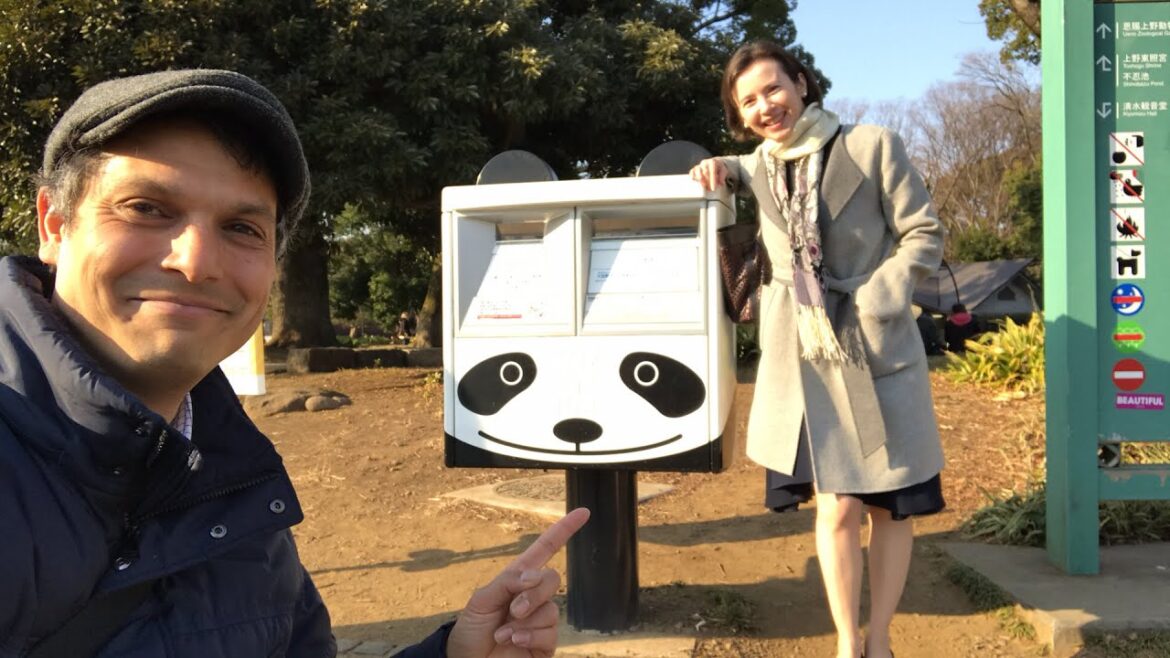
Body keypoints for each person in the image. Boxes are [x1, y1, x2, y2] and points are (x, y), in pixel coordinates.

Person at [0, 69, 588, 657]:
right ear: (54, 223)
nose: (196, 261)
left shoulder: (231, 479)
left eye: (241, 227)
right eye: (147, 207)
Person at [690, 42, 945, 658]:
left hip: (869, 339)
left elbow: (924, 233)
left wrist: (880, 295)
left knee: (890, 506)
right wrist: (712, 165)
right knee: (835, 504)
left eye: (772, 88)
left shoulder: (870, 144)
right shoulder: (757, 164)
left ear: (801, 83)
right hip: (804, 351)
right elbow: (734, 167)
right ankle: (846, 640)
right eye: (747, 100)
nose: (764, 106)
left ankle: (880, 637)